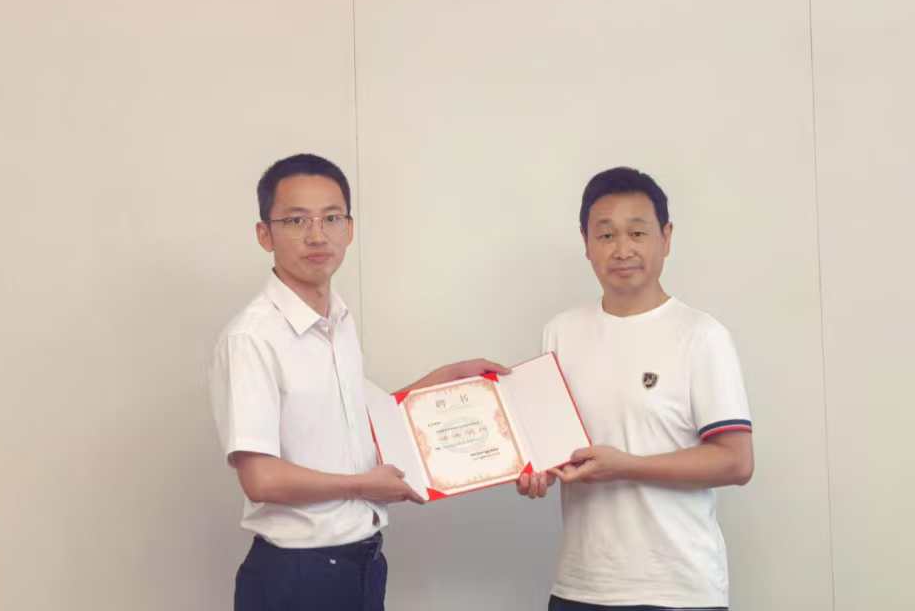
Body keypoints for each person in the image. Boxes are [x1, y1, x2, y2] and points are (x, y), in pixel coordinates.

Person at [211, 152, 504, 611]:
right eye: (296, 220)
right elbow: (261, 479)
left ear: (349, 229)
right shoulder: (252, 337)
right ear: (264, 234)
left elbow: (359, 420)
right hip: (296, 576)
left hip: (362, 565)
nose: (317, 235)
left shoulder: (337, 320)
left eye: (331, 218)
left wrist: (446, 380)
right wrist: (363, 485)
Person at [517, 166, 754, 611]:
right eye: (606, 235)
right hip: (580, 586)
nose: (622, 249)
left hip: (676, 589)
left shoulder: (701, 336)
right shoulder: (560, 332)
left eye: (637, 233)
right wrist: (536, 472)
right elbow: (550, 448)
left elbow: (736, 461)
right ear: (586, 243)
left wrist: (626, 466)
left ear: (666, 237)